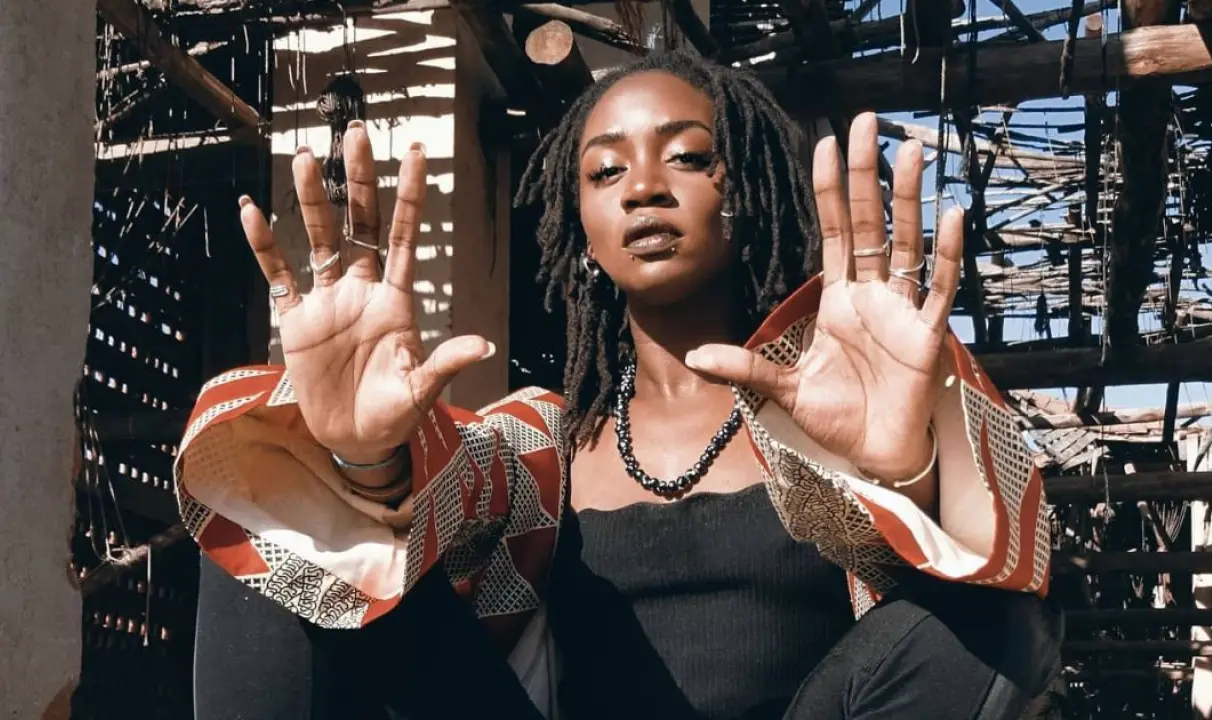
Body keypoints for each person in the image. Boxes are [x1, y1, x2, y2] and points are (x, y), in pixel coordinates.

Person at [186, 51, 1061, 720]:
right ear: (582, 229)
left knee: (993, 621)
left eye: (687, 157)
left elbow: (963, 626)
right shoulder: (540, 448)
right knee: (284, 528)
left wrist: (907, 471)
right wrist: (359, 459)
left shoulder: (822, 420)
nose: (643, 187)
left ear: (746, 192)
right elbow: (428, 522)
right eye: (605, 171)